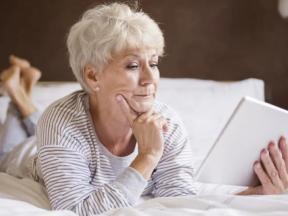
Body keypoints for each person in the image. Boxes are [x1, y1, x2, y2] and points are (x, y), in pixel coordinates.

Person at [0, 2, 288, 216]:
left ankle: (21, 91)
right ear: (92, 76)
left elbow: (180, 198)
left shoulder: (167, 122)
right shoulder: (59, 121)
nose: (150, 79)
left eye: (154, 63)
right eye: (133, 65)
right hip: (27, 155)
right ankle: (16, 95)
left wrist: (257, 193)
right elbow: (77, 209)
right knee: (10, 148)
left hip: (59, 137)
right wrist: (148, 156)